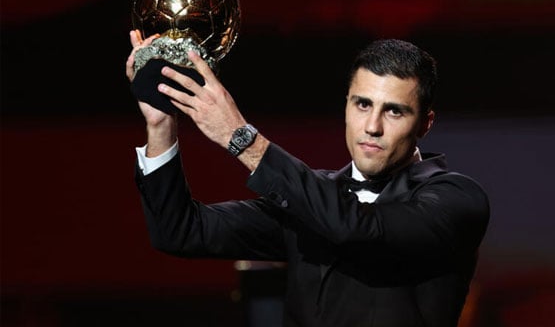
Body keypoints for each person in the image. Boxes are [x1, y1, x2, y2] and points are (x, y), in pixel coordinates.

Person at [126, 30, 490, 327]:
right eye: (362, 104)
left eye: (394, 111)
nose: (373, 127)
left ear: (425, 124)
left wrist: (242, 138)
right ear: (346, 105)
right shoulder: (309, 199)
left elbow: (356, 228)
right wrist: (161, 126)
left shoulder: (457, 199)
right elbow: (180, 231)